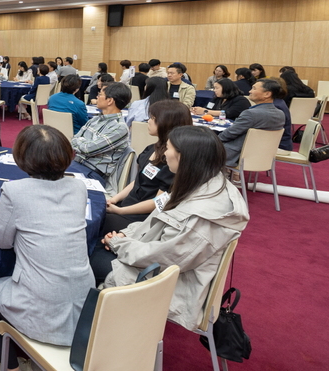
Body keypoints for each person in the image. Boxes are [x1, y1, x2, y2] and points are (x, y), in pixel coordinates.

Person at [100, 126, 249, 331]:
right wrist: (127, 234)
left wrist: (119, 243)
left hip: (166, 282)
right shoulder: (199, 183)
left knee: (87, 260)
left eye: (168, 148)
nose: (164, 153)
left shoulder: (202, 214)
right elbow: (154, 223)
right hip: (159, 262)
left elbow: (164, 259)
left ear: (184, 157)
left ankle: (101, 335)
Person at [0, 125, 94, 370]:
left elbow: (2, 241)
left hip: (41, 306)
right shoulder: (78, 186)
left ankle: (10, 364)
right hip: (84, 302)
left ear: (23, 158)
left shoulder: (15, 191)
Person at [101, 100, 192, 234]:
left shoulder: (172, 161)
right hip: (128, 204)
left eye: (153, 118)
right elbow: (138, 181)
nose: (148, 121)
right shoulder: (151, 149)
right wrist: (115, 199)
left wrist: (120, 210)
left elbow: (158, 203)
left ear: (166, 124)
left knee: (98, 221)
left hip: (143, 218)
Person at [71, 82, 131, 187]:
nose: (97, 97)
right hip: (76, 164)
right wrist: (83, 143)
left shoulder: (119, 128)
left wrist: (81, 142)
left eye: (100, 95)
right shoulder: (95, 119)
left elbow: (88, 149)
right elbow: (73, 140)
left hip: (92, 173)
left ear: (110, 100)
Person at [218, 79, 286, 167]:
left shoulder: (251, 114)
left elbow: (228, 134)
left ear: (267, 94)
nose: (250, 91)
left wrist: (212, 141)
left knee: (199, 147)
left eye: (254, 88)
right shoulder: (280, 114)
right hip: (263, 156)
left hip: (236, 155)